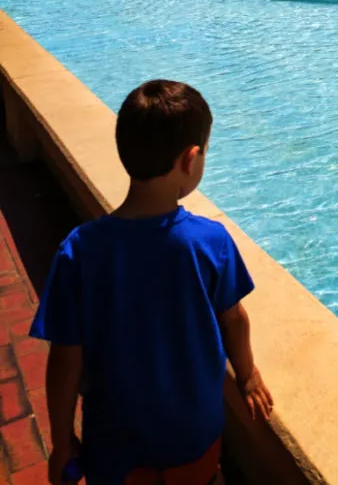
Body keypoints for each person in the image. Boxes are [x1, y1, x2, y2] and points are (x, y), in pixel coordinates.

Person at [30, 80, 273, 485]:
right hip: (193, 442)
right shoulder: (210, 243)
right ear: (190, 159)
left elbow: (65, 359)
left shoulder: (80, 251)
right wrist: (247, 376)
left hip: (115, 448)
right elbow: (235, 321)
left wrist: (61, 443)